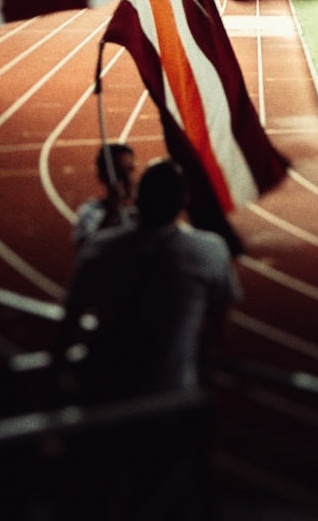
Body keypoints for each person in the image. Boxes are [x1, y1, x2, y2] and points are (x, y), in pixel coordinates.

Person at [56, 159, 241, 517]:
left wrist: (56, 386)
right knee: (163, 496)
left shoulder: (101, 249)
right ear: (183, 202)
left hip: (102, 401)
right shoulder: (210, 251)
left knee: (97, 496)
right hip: (170, 401)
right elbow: (219, 332)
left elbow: (67, 330)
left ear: (139, 200)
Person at [71, 142, 137, 248]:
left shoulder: (147, 207)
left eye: (130, 169)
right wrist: (112, 212)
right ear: (102, 176)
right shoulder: (90, 212)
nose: (127, 178)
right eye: (119, 173)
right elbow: (84, 248)